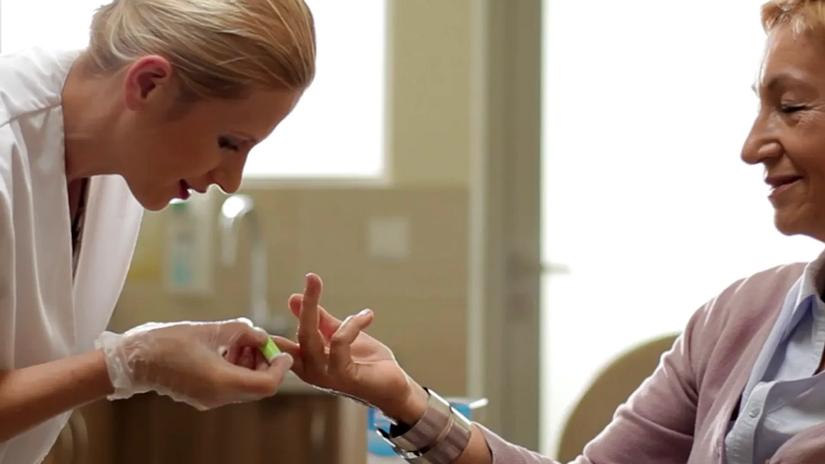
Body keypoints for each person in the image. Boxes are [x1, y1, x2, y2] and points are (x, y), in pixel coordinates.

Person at [274, 1, 825, 462]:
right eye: (762, 107)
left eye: (792, 106)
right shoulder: (736, 318)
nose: (751, 147)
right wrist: (406, 401)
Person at [0, 0, 315, 462]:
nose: (229, 181)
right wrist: (132, 362)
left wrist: (154, 353)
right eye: (228, 143)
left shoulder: (116, 154)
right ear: (148, 84)